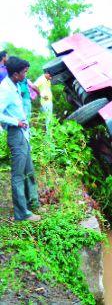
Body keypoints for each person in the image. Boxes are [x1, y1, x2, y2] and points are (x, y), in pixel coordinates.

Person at [0, 56, 41, 221]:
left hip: (23, 134)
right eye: (24, 72)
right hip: (16, 135)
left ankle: (33, 204)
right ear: (16, 74)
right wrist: (15, 122)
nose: (26, 75)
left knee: (28, 170)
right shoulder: (5, 89)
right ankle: (21, 214)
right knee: (18, 176)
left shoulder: (15, 85)